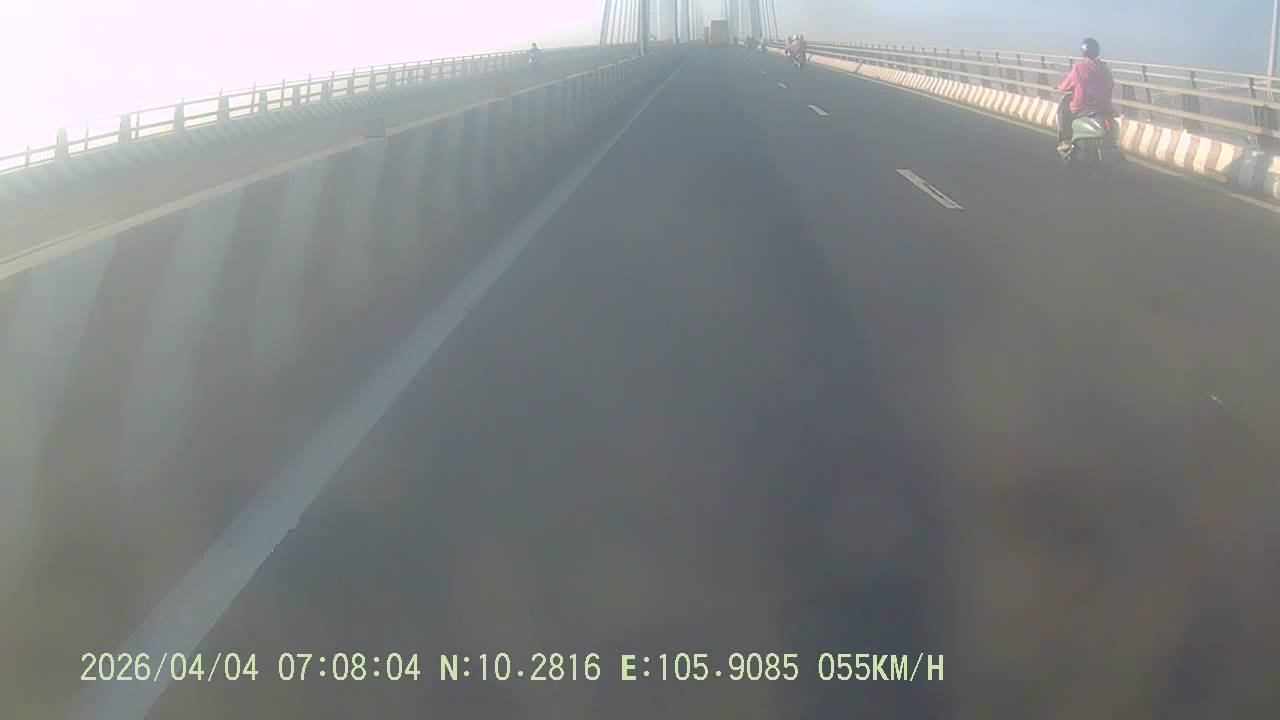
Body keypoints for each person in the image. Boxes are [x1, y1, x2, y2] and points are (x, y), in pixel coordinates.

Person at [1056, 38, 1114, 154]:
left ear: (1083, 52)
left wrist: (1059, 87)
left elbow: (1066, 85)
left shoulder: (1079, 68)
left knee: (1063, 113)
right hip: (1103, 107)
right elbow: (1111, 84)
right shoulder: (1105, 68)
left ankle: (1065, 143)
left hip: (1083, 106)